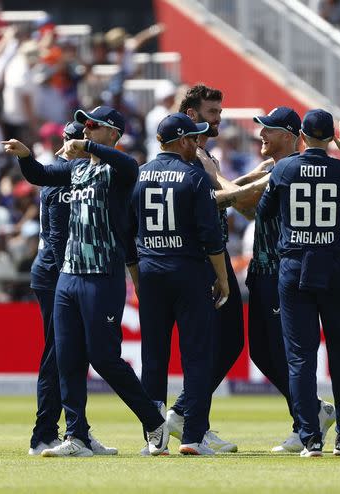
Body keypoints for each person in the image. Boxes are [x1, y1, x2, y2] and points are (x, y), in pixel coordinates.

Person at [3, 106, 169, 457]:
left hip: (102, 276)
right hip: (68, 276)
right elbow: (42, 175)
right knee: (67, 358)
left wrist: (87, 147)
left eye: (94, 126)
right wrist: (26, 156)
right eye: (85, 126)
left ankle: (153, 421)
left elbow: (128, 166)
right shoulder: (76, 169)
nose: (86, 130)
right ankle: (76, 435)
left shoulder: (120, 171)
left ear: (113, 134)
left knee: (105, 358)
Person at [257, 109, 340, 457]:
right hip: (334, 265)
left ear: (302, 137)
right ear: (330, 138)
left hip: (294, 265)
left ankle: (310, 437)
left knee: (300, 357)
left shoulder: (283, 168)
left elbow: (265, 212)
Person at [166, 84, 267, 453]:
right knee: (216, 343)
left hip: (210, 252)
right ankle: (189, 420)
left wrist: (253, 179)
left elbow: (225, 197)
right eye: (212, 113)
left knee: (220, 343)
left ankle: (189, 417)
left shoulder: (201, 153)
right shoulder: (188, 155)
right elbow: (223, 196)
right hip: (204, 256)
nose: (218, 120)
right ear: (191, 115)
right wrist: (264, 180)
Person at [129, 112, 229, 455]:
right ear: (183, 141)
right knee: (197, 356)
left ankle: (154, 439)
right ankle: (193, 437)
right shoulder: (195, 177)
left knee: (153, 358)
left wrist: (137, 278)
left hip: (151, 271)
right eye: (194, 139)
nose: (197, 144)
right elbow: (210, 236)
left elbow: (126, 235)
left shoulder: (138, 175)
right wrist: (223, 278)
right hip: (188, 272)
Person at [27, 120, 117, 456]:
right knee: (58, 355)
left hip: (62, 273)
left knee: (72, 356)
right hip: (56, 275)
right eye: (79, 138)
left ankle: (76, 431)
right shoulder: (64, 177)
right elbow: (56, 240)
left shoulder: (72, 174)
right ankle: (44, 434)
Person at [250, 107, 336, 453]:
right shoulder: (276, 169)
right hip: (261, 270)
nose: (261, 135)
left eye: (268, 130)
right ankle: (312, 412)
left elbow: (240, 201)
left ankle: (305, 424)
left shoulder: (293, 171)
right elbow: (250, 208)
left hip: (280, 271)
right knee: (261, 353)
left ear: (289, 135)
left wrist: (212, 189)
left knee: (288, 355)